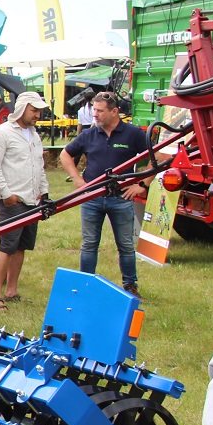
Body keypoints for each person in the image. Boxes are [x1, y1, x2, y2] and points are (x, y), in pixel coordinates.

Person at [60, 91, 151, 298]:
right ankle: (85, 285)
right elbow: (66, 154)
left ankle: (130, 286)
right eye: (94, 111)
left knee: (126, 245)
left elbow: (156, 157)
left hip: (121, 198)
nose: (95, 115)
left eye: (100, 111)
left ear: (115, 112)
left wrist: (142, 185)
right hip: (92, 197)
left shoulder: (133, 134)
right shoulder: (89, 134)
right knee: (89, 243)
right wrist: (77, 180)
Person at [0, 91, 51, 311]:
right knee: (7, 246)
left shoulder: (34, 135)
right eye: (34, 110)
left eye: (39, 110)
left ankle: (11, 291)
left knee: (21, 246)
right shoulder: (1, 133)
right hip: (12, 200)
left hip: (32, 199)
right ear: (21, 109)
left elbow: (38, 166)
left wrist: (44, 191)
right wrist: (5, 194)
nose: (38, 114)